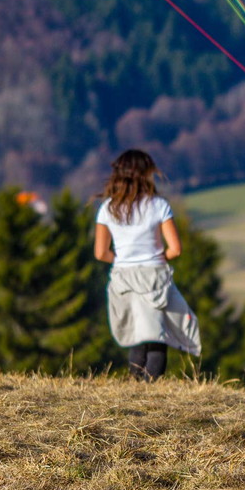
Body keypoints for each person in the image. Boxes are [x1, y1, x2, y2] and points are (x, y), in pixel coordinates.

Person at [94, 149, 200, 381]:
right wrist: (156, 257)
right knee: (156, 338)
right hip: (153, 277)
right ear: (146, 174)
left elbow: (101, 252)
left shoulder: (107, 209)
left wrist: (123, 260)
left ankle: (137, 388)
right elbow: (175, 249)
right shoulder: (158, 206)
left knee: (137, 337)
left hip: (123, 278)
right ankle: (150, 389)